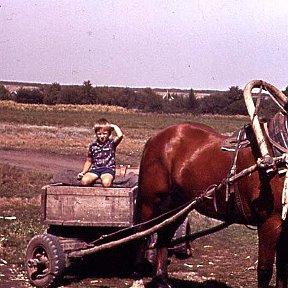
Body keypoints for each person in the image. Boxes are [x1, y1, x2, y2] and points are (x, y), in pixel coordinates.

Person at [77, 118, 123, 187]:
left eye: (104, 134)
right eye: (99, 134)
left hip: (108, 169)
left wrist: (113, 126)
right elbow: (89, 161)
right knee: (84, 181)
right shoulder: (93, 146)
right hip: (95, 169)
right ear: (96, 134)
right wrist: (83, 172)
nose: (102, 136)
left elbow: (120, 136)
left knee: (106, 182)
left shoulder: (111, 143)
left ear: (109, 133)